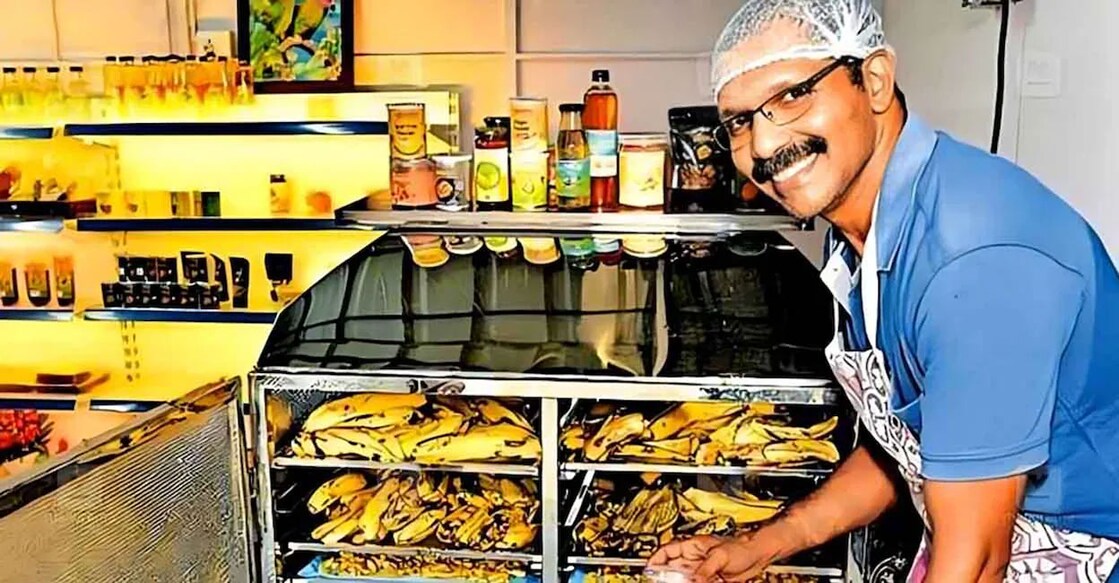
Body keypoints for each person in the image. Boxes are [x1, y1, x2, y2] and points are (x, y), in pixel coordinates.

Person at [648, 0, 1119, 581]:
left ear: (874, 81)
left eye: (793, 95)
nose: (765, 146)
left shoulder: (974, 262)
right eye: (740, 121)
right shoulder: (863, 238)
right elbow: (907, 448)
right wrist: (766, 543)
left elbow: (974, 562)